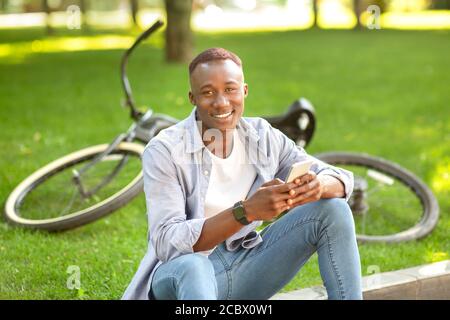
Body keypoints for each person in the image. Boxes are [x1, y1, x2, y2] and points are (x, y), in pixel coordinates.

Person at [122, 48, 362, 300]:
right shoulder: (165, 150)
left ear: (244, 91)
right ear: (192, 97)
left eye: (230, 89)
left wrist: (319, 186)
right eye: (208, 92)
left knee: (334, 210)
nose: (221, 102)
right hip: (182, 280)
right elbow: (166, 241)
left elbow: (339, 177)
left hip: (243, 269)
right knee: (195, 265)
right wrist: (245, 212)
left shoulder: (262, 136)